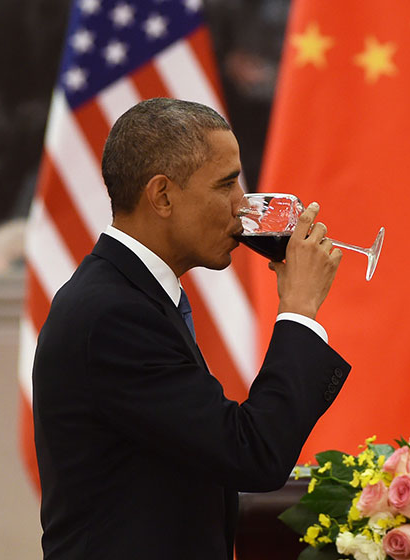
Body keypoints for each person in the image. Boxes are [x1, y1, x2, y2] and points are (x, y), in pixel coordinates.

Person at [32, 98, 348, 559]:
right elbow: (252, 454)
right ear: (162, 196)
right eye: (226, 184)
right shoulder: (113, 314)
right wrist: (299, 309)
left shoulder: (130, 296)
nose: (243, 206)